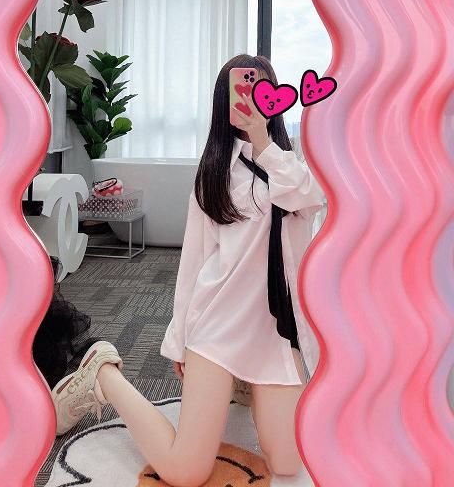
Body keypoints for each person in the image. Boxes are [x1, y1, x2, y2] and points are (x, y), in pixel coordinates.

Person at [50, 54, 325, 486]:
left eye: (261, 90)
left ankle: (244, 385)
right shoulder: (214, 174)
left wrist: (262, 140)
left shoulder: (290, 167)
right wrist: (179, 338)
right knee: (185, 470)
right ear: (224, 102)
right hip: (218, 326)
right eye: (241, 90)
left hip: (274, 332)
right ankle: (102, 371)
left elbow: (308, 198)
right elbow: (194, 260)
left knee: (288, 462)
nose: (251, 99)